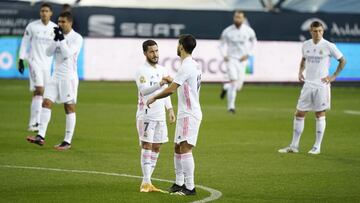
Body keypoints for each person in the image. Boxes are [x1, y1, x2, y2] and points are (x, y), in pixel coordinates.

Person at [278, 21, 346, 155]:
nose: (318, 33)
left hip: (322, 85)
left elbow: (343, 60)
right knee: (299, 113)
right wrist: (300, 71)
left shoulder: (329, 46)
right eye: (315, 31)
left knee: (319, 113)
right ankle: (294, 146)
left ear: (323, 31)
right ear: (311, 31)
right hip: (308, 84)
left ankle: (317, 146)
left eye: (320, 31)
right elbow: (303, 59)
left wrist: (333, 76)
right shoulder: (306, 45)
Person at [147, 34, 201, 196]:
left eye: (178, 44)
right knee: (177, 147)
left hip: (189, 114)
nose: (176, 47)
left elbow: (172, 89)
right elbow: (184, 84)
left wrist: (154, 97)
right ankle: (179, 183)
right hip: (186, 113)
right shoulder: (192, 65)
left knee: (185, 148)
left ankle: (190, 187)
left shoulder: (187, 66)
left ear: (182, 47)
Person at [26, 11, 83, 151]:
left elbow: (67, 54)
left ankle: (67, 141)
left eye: (63, 22)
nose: (60, 24)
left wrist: (61, 39)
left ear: (70, 23)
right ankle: (41, 136)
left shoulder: (77, 38)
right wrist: (56, 39)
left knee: (69, 107)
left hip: (68, 77)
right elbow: (48, 52)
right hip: (55, 75)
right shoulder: (57, 35)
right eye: (59, 21)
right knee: (46, 103)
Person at [135, 40, 176, 192]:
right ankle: (146, 182)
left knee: (157, 147)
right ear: (145, 53)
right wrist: (160, 83)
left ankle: (147, 182)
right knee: (147, 145)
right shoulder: (141, 71)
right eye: (152, 51)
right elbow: (144, 91)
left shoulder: (163, 69)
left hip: (160, 115)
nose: (155, 54)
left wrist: (170, 110)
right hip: (146, 114)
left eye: (157, 51)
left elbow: (166, 92)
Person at [18, 3, 57, 132]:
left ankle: (36, 122)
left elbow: (58, 47)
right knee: (39, 90)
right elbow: (24, 42)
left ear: (51, 13)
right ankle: (34, 123)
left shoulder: (55, 28)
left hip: (47, 65)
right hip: (34, 62)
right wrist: (21, 58)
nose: (44, 13)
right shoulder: (32, 26)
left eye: (46, 11)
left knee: (42, 93)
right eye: (42, 11)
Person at [218, 10, 257, 113]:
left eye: (239, 17)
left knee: (238, 86)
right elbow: (221, 45)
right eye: (235, 17)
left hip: (242, 60)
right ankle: (231, 107)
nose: (237, 19)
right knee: (234, 83)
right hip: (231, 59)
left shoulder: (249, 31)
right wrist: (224, 55)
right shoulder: (227, 31)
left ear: (243, 19)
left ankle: (226, 87)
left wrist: (248, 54)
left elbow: (254, 43)